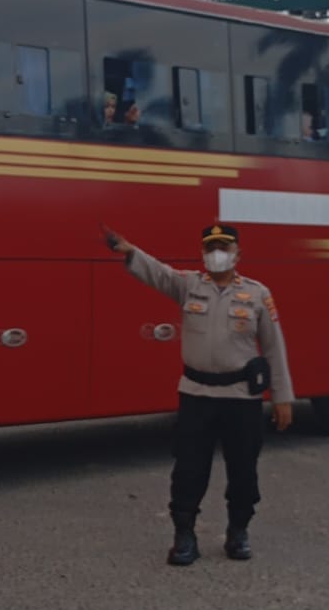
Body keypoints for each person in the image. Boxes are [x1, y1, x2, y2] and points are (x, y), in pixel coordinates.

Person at [100, 222, 294, 567]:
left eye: (224, 248)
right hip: (196, 395)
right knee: (189, 469)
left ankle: (238, 531)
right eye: (211, 248)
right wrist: (130, 251)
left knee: (244, 471)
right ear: (203, 254)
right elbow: (157, 273)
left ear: (238, 254)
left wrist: (282, 397)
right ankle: (185, 535)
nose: (217, 254)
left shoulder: (258, 294)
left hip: (241, 399)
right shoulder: (188, 285)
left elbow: (274, 348)